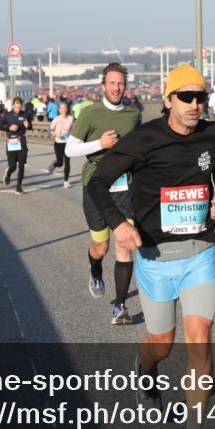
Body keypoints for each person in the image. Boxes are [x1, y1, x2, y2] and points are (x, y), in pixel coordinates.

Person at [86, 63, 215, 429]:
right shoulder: (144, 139)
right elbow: (97, 183)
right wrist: (119, 225)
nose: (194, 104)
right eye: (185, 97)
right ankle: (145, 366)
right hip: (154, 257)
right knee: (162, 344)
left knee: (199, 338)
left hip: (200, 250)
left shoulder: (212, 134)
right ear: (168, 100)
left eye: (200, 97)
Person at [66, 63, 141, 321]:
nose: (117, 88)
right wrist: (101, 143)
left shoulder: (133, 114)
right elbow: (70, 149)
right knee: (101, 246)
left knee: (125, 243)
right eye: (112, 83)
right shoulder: (90, 113)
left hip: (124, 185)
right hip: (95, 184)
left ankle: (120, 307)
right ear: (103, 86)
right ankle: (95, 269)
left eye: (121, 83)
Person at [0, 97, 31, 195]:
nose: (18, 109)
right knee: (13, 166)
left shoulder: (25, 114)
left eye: (19, 107)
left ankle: (18, 187)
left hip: (22, 141)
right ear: (13, 106)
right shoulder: (7, 115)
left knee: (21, 165)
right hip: (11, 141)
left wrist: (28, 125)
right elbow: (0, 126)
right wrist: (9, 127)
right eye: (16, 107)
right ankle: (8, 173)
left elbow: (30, 126)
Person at [47, 101, 75, 189]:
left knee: (67, 162)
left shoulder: (71, 118)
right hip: (58, 143)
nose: (64, 109)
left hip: (68, 143)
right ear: (59, 110)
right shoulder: (56, 119)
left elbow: (72, 129)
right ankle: (55, 164)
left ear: (67, 109)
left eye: (65, 108)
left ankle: (66, 181)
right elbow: (49, 130)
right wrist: (55, 134)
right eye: (62, 108)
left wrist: (71, 135)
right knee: (60, 163)